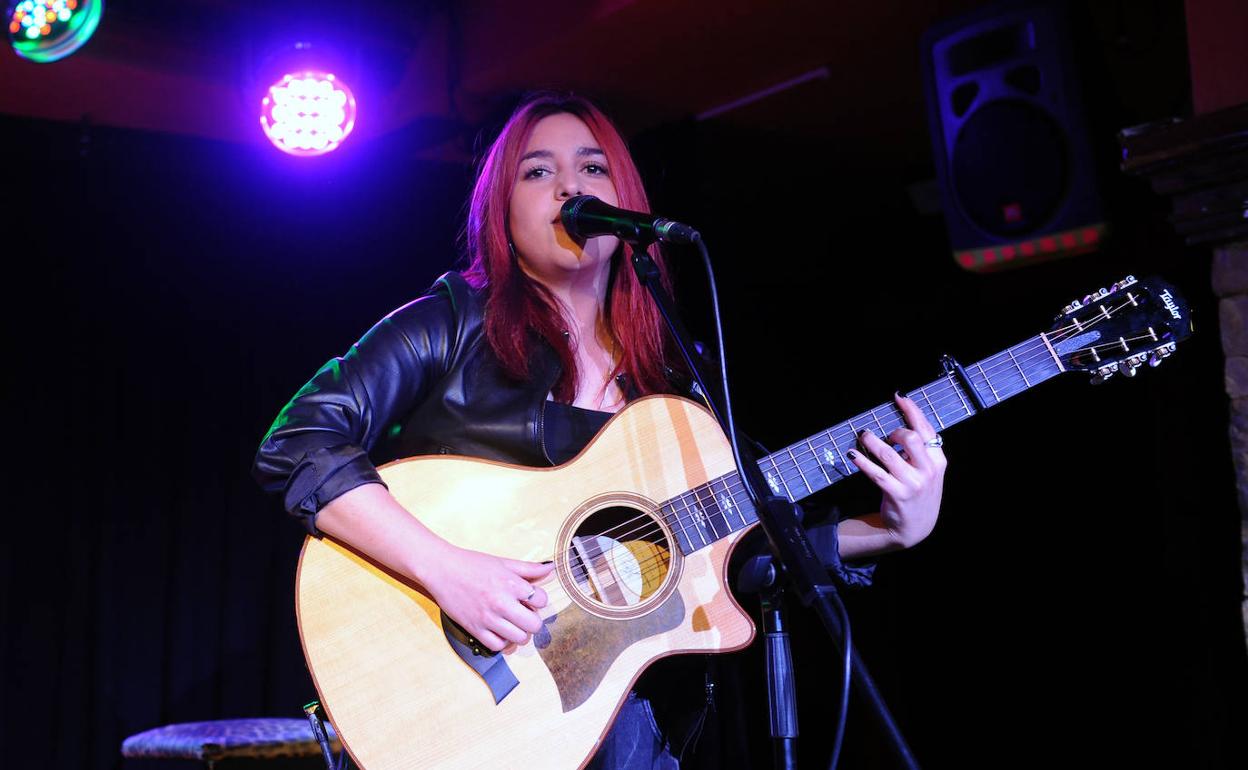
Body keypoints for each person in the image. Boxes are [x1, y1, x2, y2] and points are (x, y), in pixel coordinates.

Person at [253, 91, 947, 769]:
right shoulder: (452, 321)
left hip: (619, 729)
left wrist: (890, 529)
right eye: (537, 171)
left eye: (592, 168)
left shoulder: (675, 383)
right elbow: (300, 443)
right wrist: (451, 571)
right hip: (459, 702)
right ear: (503, 206)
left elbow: (749, 546)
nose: (568, 187)